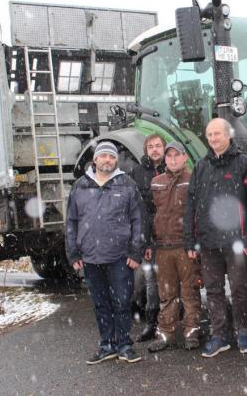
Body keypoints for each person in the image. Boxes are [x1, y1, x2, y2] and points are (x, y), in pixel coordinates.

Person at [184, 118, 247, 358]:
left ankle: (244, 332)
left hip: (235, 240)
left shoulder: (244, 163)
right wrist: (191, 239)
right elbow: (191, 205)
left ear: (229, 135)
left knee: (239, 288)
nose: (214, 139)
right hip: (208, 240)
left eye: (218, 134)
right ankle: (219, 336)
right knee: (214, 290)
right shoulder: (201, 166)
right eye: (210, 135)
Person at [66, 141, 144, 364]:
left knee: (121, 302)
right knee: (101, 304)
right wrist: (73, 253)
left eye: (111, 157)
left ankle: (125, 345)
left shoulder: (127, 185)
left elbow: (138, 220)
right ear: (96, 160)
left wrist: (135, 252)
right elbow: (71, 222)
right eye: (104, 156)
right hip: (90, 258)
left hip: (120, 257)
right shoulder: (80, 186)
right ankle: (107, 345)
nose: (107, 160)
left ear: (116, 161)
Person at [146, 142, 203, 353]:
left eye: (176, 156)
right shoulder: (156, 183)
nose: (172, 159)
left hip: (185, 246)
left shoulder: (193, 180)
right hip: (162, 246)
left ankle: (191, 332)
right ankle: (166, 333)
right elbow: (151, 213)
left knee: (190, 291)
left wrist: (195, 243)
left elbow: (199, 213)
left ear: (184, 158)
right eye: (169, 156)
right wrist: (150, 241)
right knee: (166, 293)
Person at [129, 134, 167, 342]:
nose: (154, 150)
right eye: (150, 146)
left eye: (158, 146)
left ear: (164, 148)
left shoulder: (171, 169)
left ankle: (172, 321)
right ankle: (152, 323)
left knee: (171, 280)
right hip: (149, 236)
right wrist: (145, 240)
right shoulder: (137, 173)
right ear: (145, 150)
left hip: (170, 233)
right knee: (152, 281)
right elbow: (138, 211)